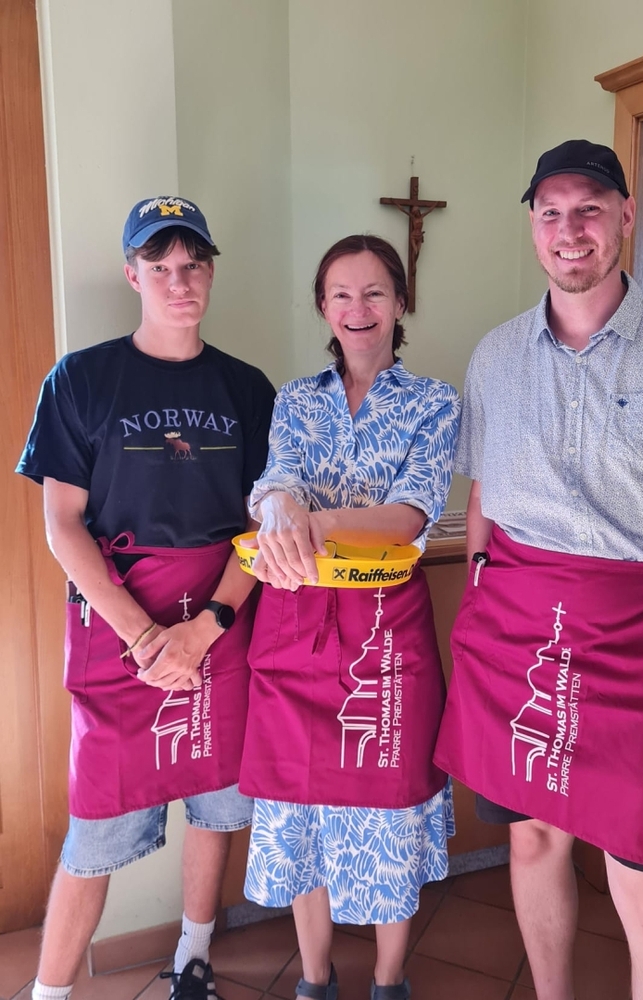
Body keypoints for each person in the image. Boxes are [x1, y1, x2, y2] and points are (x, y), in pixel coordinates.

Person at [434, 139, 643, 1000]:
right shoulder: (495, 355)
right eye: (551, 212)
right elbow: (485, 495)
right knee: (530, 840)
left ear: (626, 217)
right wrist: (476, 606)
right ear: (533, 226)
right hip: (513, 637)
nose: (570, 230)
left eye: (589, 209)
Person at [17, 196, 275, 1000]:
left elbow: (262, 526)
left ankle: (193, 956)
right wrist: (142, 635)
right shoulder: (81, 379)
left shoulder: (247, 388)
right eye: (159, 267)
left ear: (211, 272)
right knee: (94, 831)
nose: (178, 281)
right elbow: (62, 524)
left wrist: (207, 628)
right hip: (118, 623)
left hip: (220, 624)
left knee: (216, 804)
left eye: (192, 264)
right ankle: (50, 993)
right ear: (132, 275)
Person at [237, 235, 460, 1000]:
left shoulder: (434, 402)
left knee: (389, 803)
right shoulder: (295, 400)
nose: (357, 308)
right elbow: (275, 481)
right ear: (322, 307)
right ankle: (314, 978)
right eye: (341, 294)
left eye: (374, 293)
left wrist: (316, 523)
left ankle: (390, 980)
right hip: (295, 627)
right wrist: (280, 504)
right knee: (298, 804)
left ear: (400, 303)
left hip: (385, 636)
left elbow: (410, 513)